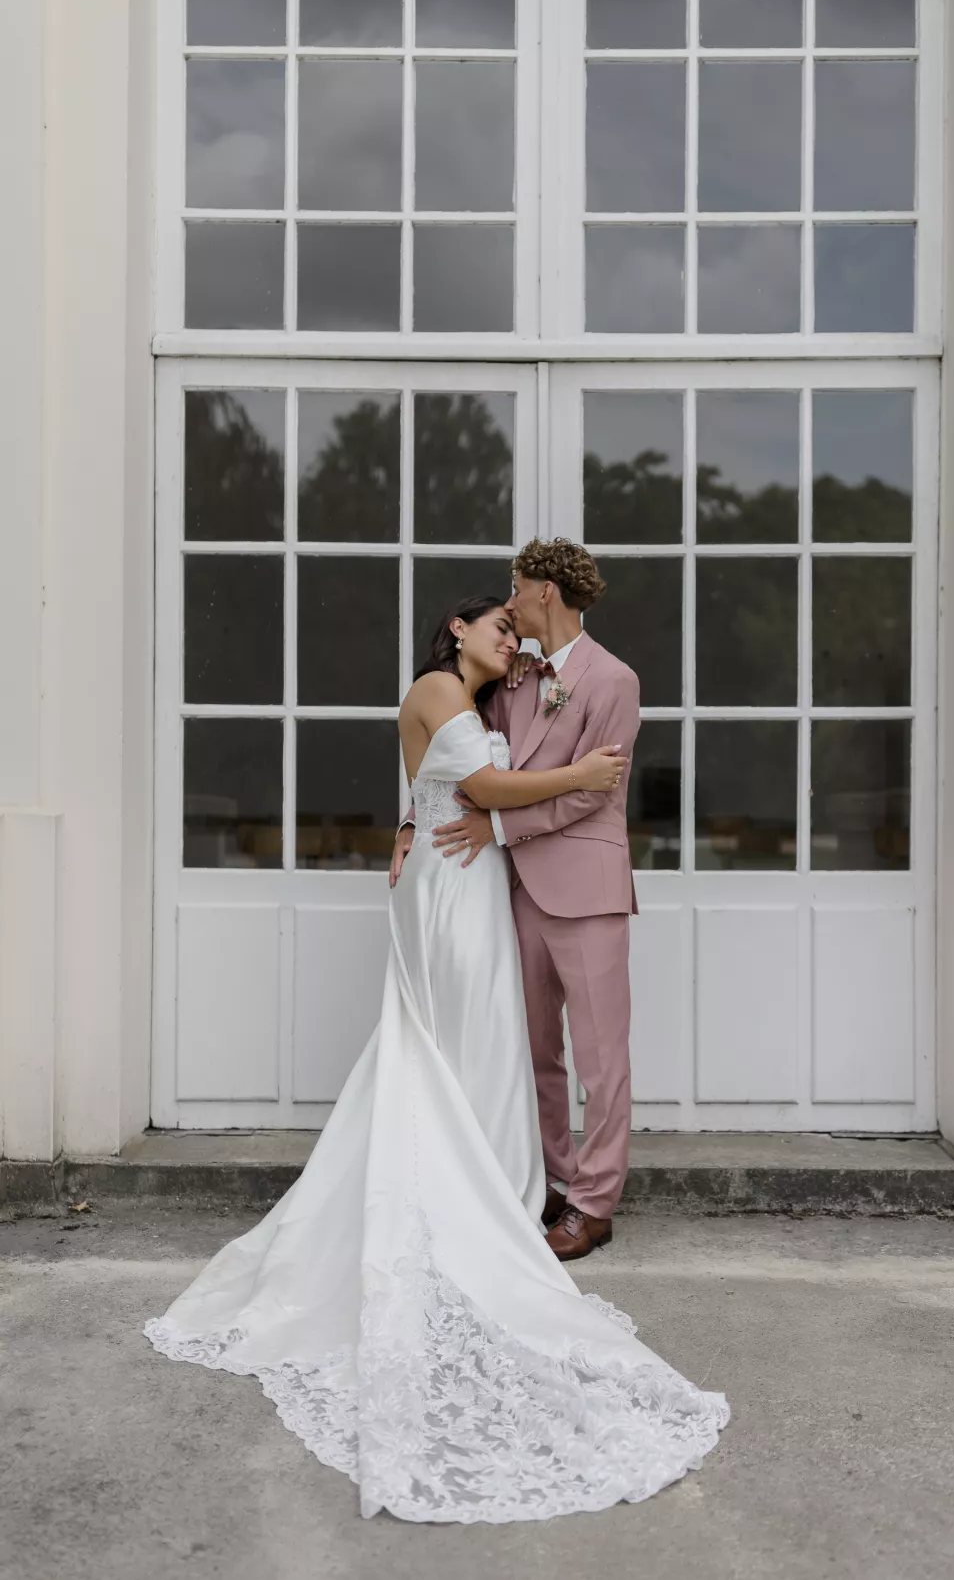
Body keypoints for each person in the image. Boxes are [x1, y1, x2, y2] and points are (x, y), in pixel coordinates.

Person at [144, 591, 728, 1525]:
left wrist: (416, 813)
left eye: (518, 627)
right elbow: (483, 790)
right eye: (498, 625)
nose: (513, 637)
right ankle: (476, 1200)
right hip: (454, 890)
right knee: (469, 1041)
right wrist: (574, 770)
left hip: (468, 879)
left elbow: (438, 783)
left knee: (476, 1044)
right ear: (457, 631)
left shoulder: (492, 696)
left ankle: (497, 1188)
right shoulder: (435, 689)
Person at [393, 538, 639, 1261]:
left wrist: (497, 824)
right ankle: (556, 1178)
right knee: (533, 1051)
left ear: (544, 595)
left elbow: (597, 798)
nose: (510, 600)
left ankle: (595, 1204)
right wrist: (412, 820)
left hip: (587, 889)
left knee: (601, 1057)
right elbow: (445, 758)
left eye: (516, 587)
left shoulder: (613, 680)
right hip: (510, 892)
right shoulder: (512, 677)